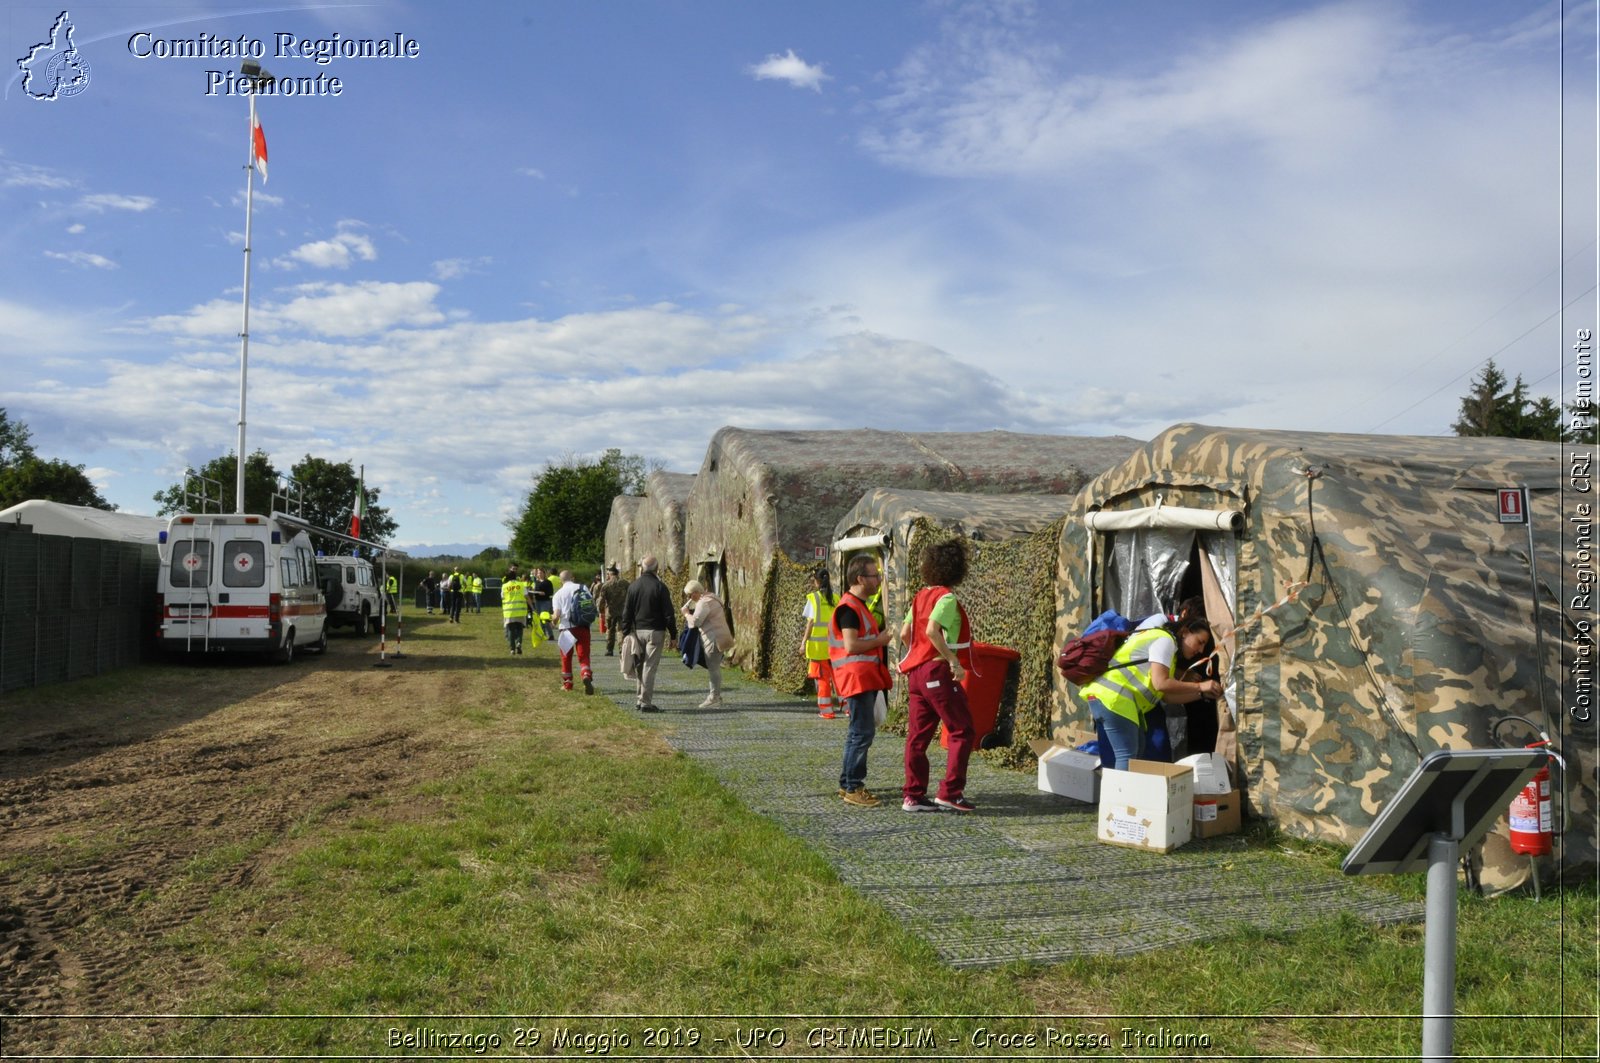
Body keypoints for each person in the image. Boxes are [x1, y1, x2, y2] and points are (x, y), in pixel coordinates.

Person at [897, 540, 980, 813]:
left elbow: (904, 634)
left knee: (917, 737)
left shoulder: (919, 596)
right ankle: (950, 793)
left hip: (916, 674)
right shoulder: (946, 598)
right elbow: (933, 630)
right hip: (936, 671)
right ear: (957, 569)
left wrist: (916, 653)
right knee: (962, 729)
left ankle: (913, 795)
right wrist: (953, 660)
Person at [1080, 616, 1222, 771]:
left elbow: (1167, 695)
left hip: (1110, 700)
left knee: (1136, 753)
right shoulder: (1165, 640)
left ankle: (1121, 793)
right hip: (1114, 699)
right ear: (1185, 632)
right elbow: (1161, 683)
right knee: (1126, 756)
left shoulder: (1169, 650)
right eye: (1200, 642)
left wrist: (1202, 694)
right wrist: (1200, 686)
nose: (1201, 650)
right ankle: (1120, 795)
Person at [828, 555, 894, 807]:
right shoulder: (848, 608)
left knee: (857, 732)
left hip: (862, 678)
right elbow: (851, 645)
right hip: (856, 678)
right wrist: (880, 640)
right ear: (860, 579)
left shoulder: (857, 605)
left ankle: (847, 784)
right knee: (862, 733)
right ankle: (854, 786)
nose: (879, 580)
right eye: (874, 575)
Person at [620, 555, 676, 712]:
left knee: (639, 665)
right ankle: (645, 702)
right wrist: (673, 634)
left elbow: (627, 612)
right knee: (650, 666)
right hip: (656, 631)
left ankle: (640, 699)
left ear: (641, 568)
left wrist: (626, 632)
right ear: (657, 569)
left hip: (638, 631)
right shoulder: (660, 587)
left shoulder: (633, 586)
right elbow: (669, 614)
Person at [799, 566, 843, 719]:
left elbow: (810, 623)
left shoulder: (814, 599)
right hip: (835, 647)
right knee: (839, 678)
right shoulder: (836, 598)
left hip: (818, 648)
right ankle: (848, 708)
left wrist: (803, 642)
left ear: (817, 582)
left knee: (823, 679)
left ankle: (827, 711)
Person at [682, 579, 734, 708]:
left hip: (713, 638)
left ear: (696, 592)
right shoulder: (713, 598)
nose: (689, 598)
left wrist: (686, 614)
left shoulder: (703, 603)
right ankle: (716, 695)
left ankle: (714, 697)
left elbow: (695, 623)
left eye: (690, 595)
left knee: (713, 668)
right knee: (714, 666)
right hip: (721, 635)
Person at [551, 568, 595, 695]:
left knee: (566, 657)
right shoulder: (583, 588)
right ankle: (586, 674)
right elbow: (589, 604)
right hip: (583, 626)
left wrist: (553, 621)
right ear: (573, 578)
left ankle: (568, 683)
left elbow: (557, 615)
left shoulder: (558, 594)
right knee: (583, 655)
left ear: (561, 581)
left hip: (566, 628)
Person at [599, 563, 630, 655]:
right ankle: (622, 649)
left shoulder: (606, 585)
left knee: (610, 630)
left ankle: (609, 649)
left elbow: (602, 599)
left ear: (610, 574)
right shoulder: (625, 583)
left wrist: (600, 610)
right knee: (621, 630)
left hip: (610, 611)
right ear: (617, 573)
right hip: (623, 610)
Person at [501, 571, 529, 654]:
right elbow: (526, 596)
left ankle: (512, 649)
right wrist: (532, 607)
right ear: (516, 577)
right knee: (520, 629)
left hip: (509, 612)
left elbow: (502, 597)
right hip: (520, 611)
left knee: (511, 630)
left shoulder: (504, 586)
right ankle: (519, 643)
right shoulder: (521, 585)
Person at [530, 568, 555, 639]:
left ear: (544, 574)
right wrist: (533, 592)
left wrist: (544, 593)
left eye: (540, 573)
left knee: (545, 618)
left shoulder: (548, 582)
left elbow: (551, 592)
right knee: (540, 618)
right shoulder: (536, 582)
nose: (539, 574)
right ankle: (543, 634)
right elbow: (535, 590)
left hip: (545, 601)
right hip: (537, 601)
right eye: (538, 573)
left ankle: (551, 635)